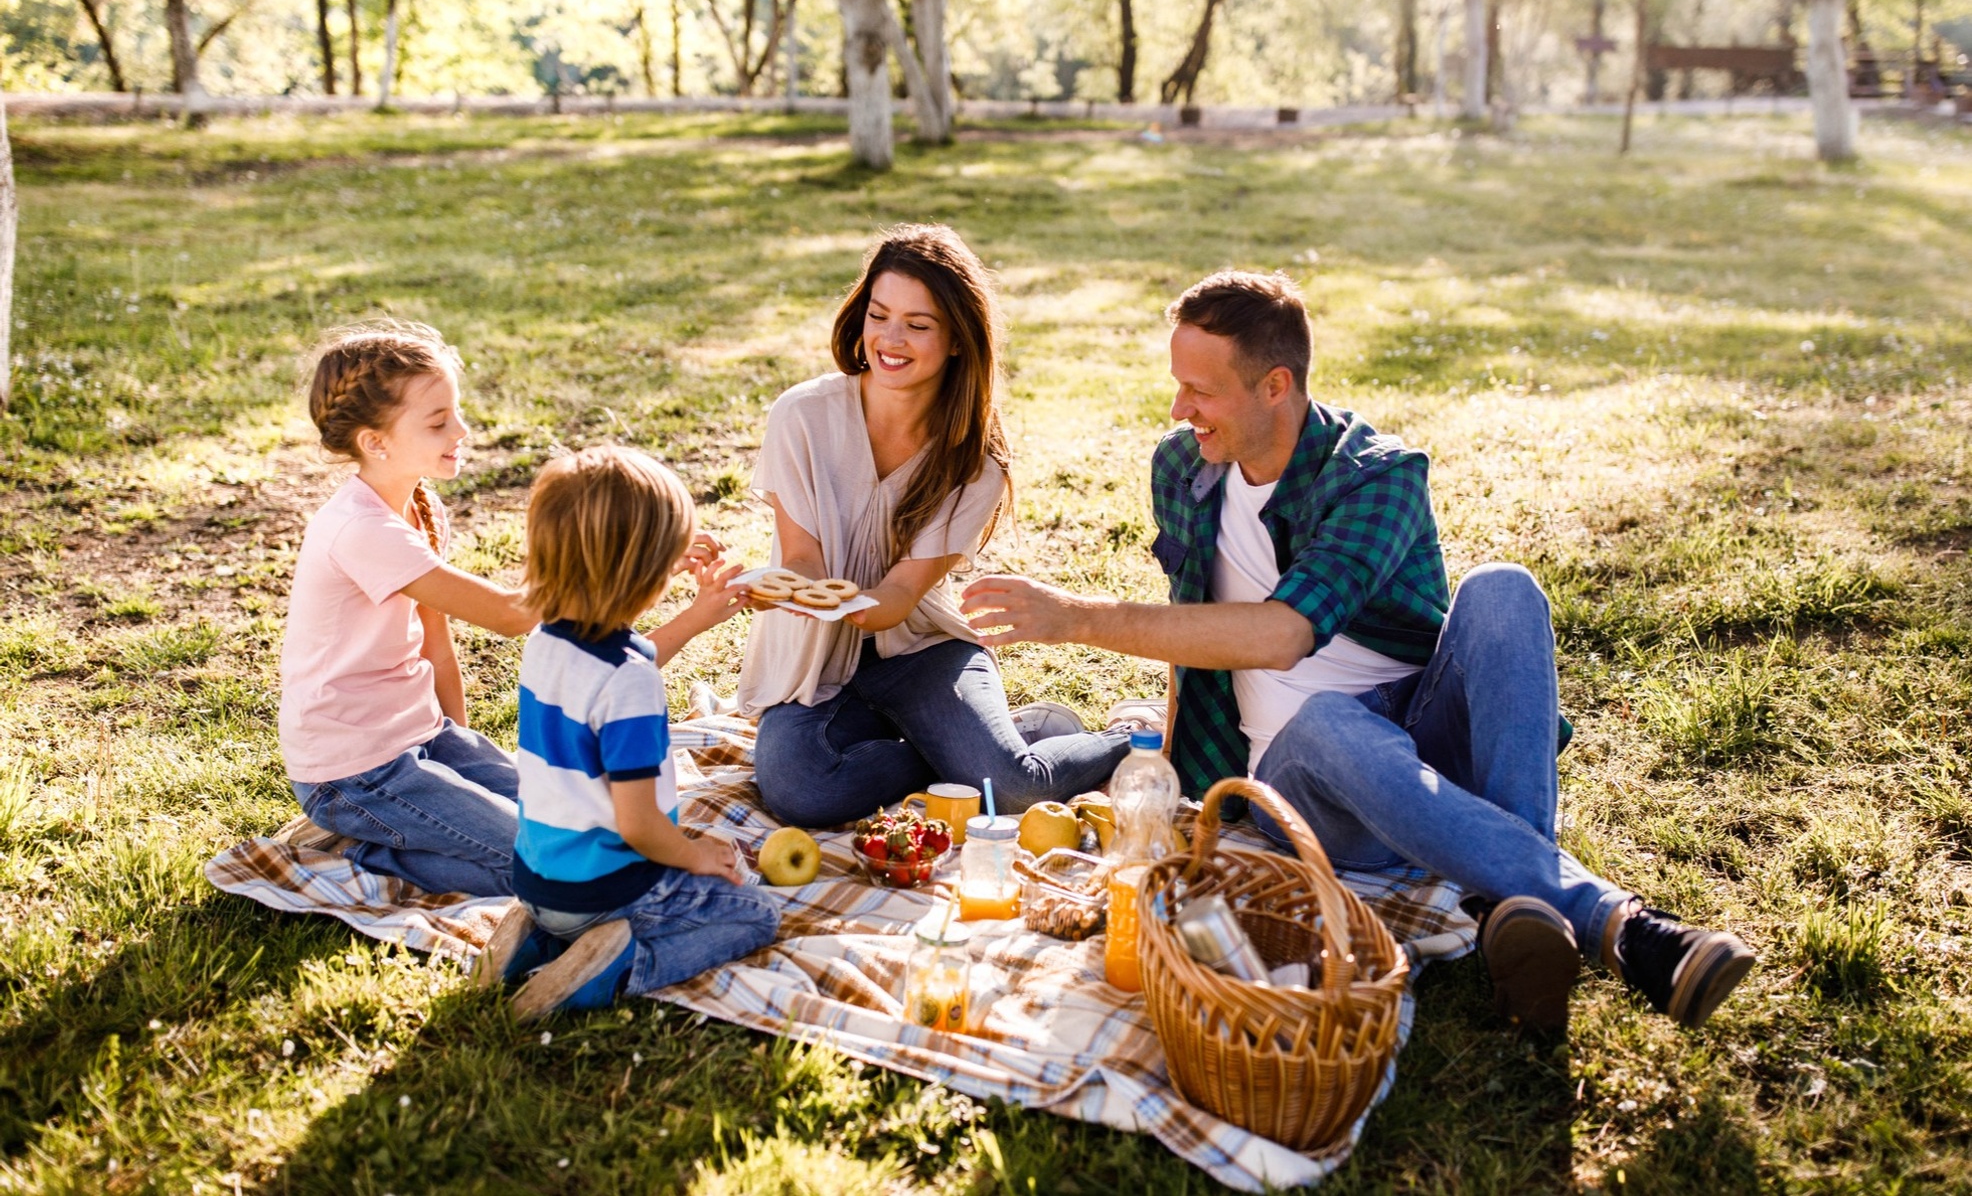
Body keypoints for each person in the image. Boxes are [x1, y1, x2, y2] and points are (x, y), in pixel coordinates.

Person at [962, 271, 1756, 1032]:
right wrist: (1170, 769)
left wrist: (1073, 616)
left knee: (1505, 589)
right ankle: (1613, 923)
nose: (1180, 408)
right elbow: (1193, 624)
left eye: (1201, 391)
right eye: (1179, 386)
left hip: (1426, 745)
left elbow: (1282, 635)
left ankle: (1518, 908)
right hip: (1304, 783)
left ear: (1276, 385)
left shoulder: (1376, 477)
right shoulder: (1184, 466)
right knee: (1330, 720)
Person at [737, 224, 1131, 828]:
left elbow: (898, 598)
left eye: (918, 325)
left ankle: (1131, 735)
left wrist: (851, 606)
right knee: (799, 790)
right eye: (879, 314)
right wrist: (790, 591)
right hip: (816, 661)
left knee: (1015, 791)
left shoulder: (976, 464)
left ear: (955, 341)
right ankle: (957, 754)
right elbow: (802, 557)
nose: (891, 340)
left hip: (920, 648)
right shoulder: (802, 415)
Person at [478, 446, 778, 1017]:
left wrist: (693, 609)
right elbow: (639, 824)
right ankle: (613, 968)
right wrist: (693, 855)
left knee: (570, 909)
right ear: (643, 571)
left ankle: (535, 938)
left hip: (542, 881)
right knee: (755, 915)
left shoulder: (548, 641)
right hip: (610, 890)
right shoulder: (630, 684)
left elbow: (625, 663)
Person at [278, 321, 538, 897]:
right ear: (375, 442)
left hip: (420, 738)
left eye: (457, 413)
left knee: (567, 823)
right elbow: (512, 616)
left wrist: (458, 754)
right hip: (354, 772)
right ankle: (370, 853)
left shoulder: (420, 507)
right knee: (542, 867)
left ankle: (414, 830)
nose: (462, 430)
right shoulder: (362, 529)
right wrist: (630, 556)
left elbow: (435, 645)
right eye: (439, 421)